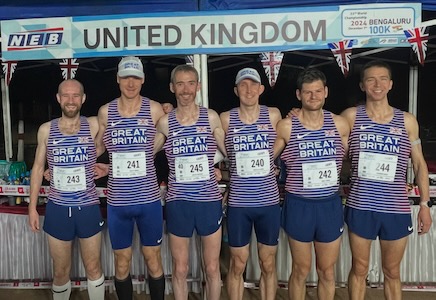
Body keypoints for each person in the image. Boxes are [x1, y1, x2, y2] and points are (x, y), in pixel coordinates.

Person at [341, 60, 432, 300]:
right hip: (361, 207)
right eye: (370, 79)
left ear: (390, 84)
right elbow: (325, 134)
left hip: (395, 208)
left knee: (391, 271)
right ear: (362, 85)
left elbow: (419, 163)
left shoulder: (407, 121)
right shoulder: (351, 117)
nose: (377, 84)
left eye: (382, 79)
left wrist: (424, 205)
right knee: (359, 269)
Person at [274, 68, 349, 300]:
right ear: (299, 95)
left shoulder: (340, 124)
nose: (313, 96)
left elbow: (355, 158)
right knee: (300, 270)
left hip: (329, 205)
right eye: (308, 92)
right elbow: (266, 161)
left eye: (318, 91)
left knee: (327, 271)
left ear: (326, 92)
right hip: (299, 205)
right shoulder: (286, 126)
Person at [95, 56, 166, 300]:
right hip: (118, 201)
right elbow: (96, 147)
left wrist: (151, 150)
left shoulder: (154, 109)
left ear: (143, 80)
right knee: (122, 261)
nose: (131, 83)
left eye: (135, 77)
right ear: (118, 79)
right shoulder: (106, 112)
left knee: (152, 258)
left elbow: (172, 134)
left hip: (148, 200)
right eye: (126, 77)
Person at [28, 79, 105, 300]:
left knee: (93, 267)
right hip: (58, 208)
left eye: (75, 96)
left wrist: (165, 109)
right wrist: (32, 208)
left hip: (87, 206)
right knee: (60, 271)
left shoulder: (93, 124)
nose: (71, 101)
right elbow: (38, 168)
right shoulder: (46, 130)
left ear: (83, 99)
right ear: (58, 98)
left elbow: (122, 120)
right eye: (66, 96)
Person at [155, 64, 226, 300]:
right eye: (180, 83)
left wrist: (220, 171)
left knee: (213, 268)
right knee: (180, 268)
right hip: (179, 203)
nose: (186, 89)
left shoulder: (211, 116)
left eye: (190, 83)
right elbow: (145, 153)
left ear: (198, 86)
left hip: (208, 202)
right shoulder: (165, 122)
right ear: (172, 87)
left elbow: (229, 151)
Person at [220, 67, 282, 300]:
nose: (248, 89)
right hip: (239, 204)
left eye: (253, 84)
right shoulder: (226, 118)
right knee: (237, 263)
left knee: (268, 264)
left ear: (261, 88)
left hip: (268, 203)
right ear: (236, 90)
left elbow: (286, 139)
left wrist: (272, 159)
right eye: (243, 85)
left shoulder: (274, 115)